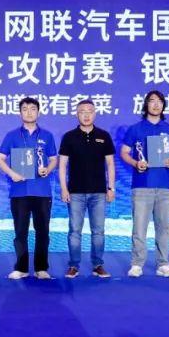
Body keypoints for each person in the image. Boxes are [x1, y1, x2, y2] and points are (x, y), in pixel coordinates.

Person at [120, 90, 169, 278]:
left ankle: (163, 264)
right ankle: (137, 264)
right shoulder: (135, 129)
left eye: (160, 101)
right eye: (152, 101)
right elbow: (124, 152)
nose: (156, 105)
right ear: (146, 104)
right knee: (139, 228)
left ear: (163, 106)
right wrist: (135, 163)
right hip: (141, 186)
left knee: (164, 228)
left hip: (164, 186)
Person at [0, 98, 58, 280]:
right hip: (19, 191)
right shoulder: (12, 135)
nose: (29, 112)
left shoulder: (47, 136)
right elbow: (0, 158)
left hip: (42, 191)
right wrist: (11, 173)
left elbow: (53, 159)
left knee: (43, 232)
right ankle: (21, 268)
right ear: (20, 113)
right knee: (20, 232)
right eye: (25, 109)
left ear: (38, 112)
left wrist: (48, 169)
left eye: (32, 109)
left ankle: (41, 268)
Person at [58, 99, 115, 279]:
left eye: (90, 111)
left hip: (99, 192)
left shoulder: (104, 136)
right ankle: (74, 265)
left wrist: (111, 187)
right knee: (75, 231)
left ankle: (98, 265)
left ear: (95, 113)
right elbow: (62, 165)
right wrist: (64, 188)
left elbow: (110, 164)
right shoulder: (69, 137)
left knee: (98, 231)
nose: (86, 114)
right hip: (75, 192)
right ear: (77, 114)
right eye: (82, 111)